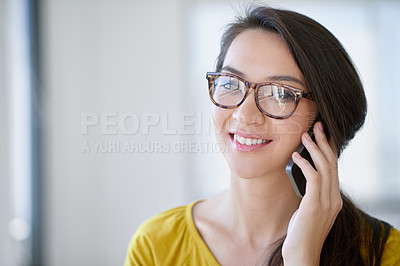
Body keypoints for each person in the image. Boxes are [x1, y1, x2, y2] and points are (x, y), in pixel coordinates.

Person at [124, 5, 400, 265]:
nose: (244, 114)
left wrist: (302, 257)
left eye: (280, 94)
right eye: (231, 83)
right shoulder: (156, 245)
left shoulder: (386, 253)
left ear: (323, 122)